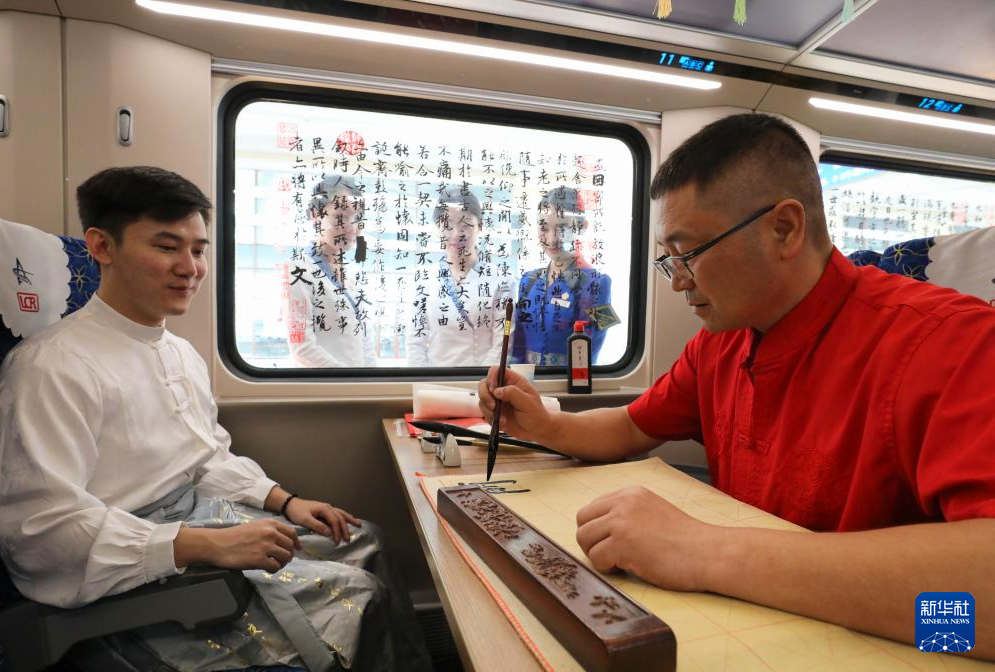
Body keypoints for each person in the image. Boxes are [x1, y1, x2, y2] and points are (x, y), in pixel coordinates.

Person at [478, 114, 995, 659]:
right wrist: (546, 425)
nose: (677, 281)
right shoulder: (722, 342)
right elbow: (631, 426)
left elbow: (982, 617)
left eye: (689, 254)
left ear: (784, 229)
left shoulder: (950, 344)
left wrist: (701, 551)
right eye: (668, 260)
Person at [0, 166, 431, 671]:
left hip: (193, 520)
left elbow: (205, 457)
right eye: (166, 247)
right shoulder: (52, 369)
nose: (190, 268)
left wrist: (285, 501)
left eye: (198, 250)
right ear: (102, 246)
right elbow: (42, 531)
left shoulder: (177, 352)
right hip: (127, 569)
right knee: (358, 595)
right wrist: (202, 545)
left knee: (366, 540)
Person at [407, 184, 515, 366]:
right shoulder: (423, 278)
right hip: (433, 380)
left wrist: (485, 380)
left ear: (480, 226)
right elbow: (415, 342)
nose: (456, 234)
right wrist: (424, 380)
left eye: (465, 225)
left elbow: (502, 342)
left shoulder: (502, 279)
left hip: (482, 380)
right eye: (447, 225)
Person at [510, 186, 615, 366]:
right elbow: (517, 347)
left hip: (569, 380)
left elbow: (590, 350)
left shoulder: (598, 283)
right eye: (544, 227)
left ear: (582, 227)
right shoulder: (528, 281)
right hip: (525, 379)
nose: (552, 239)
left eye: (562, 227)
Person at [286, 175, 376, 367]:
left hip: (358, 383)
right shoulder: (298, 270)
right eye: (341, 217)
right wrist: (347, 379)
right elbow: (302, 346)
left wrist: (372, 377)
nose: (352, 228)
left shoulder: (351, 273)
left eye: (357, 218)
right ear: (315, 215)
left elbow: (365, 339)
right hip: (327, 383)